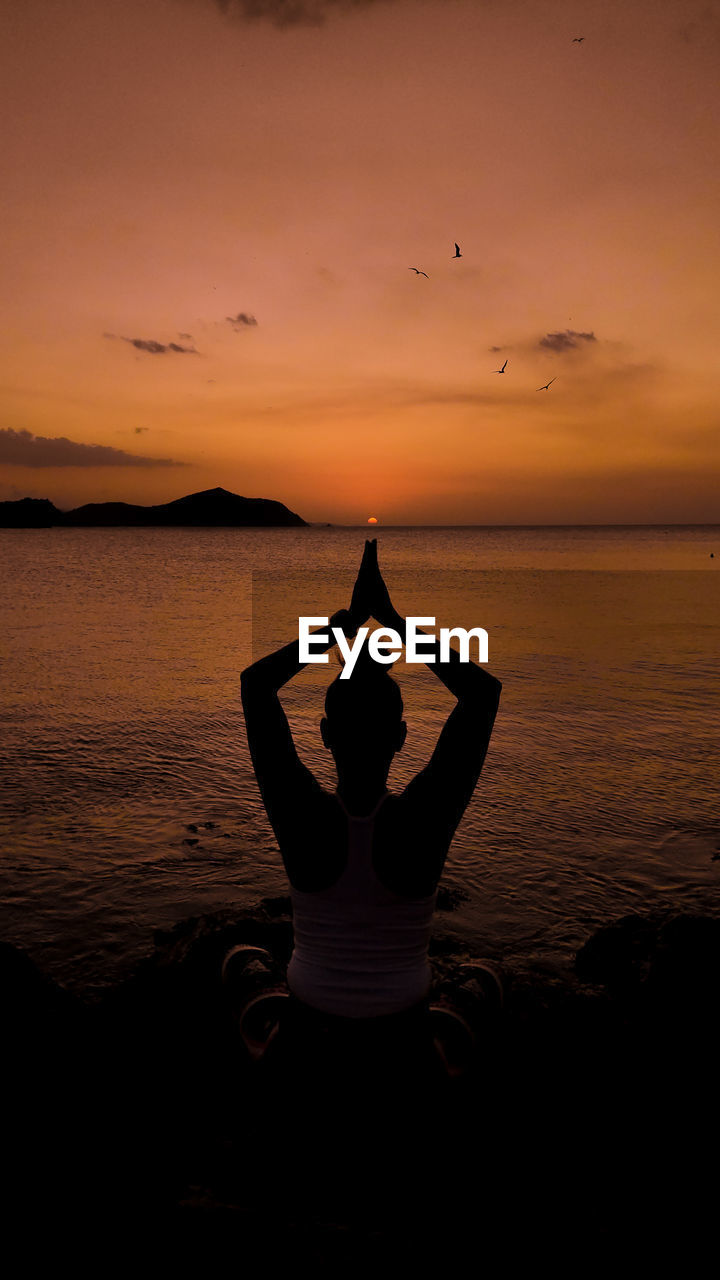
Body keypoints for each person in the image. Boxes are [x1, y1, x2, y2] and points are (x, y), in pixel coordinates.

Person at [232, 540, 502, 1095]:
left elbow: (257, 686)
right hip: (404, 1049)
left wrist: (342, 624)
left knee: (240, 960)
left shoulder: (301, 818)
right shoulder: (423, 822)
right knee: (485, 979)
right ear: (402, 738)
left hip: (304, 1039)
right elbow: (481, 695)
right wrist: (395, 623)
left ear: (326, 735)